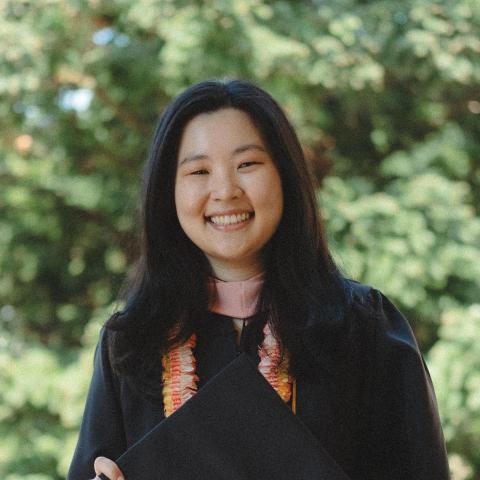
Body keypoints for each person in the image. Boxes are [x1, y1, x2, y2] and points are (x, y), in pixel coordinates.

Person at [67, 79, 450, 480]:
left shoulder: (364, 328)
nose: (225, 191)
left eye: (247, 164)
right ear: (168, 193)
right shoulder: (131, 345)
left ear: (285, 175)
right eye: (198, 170)